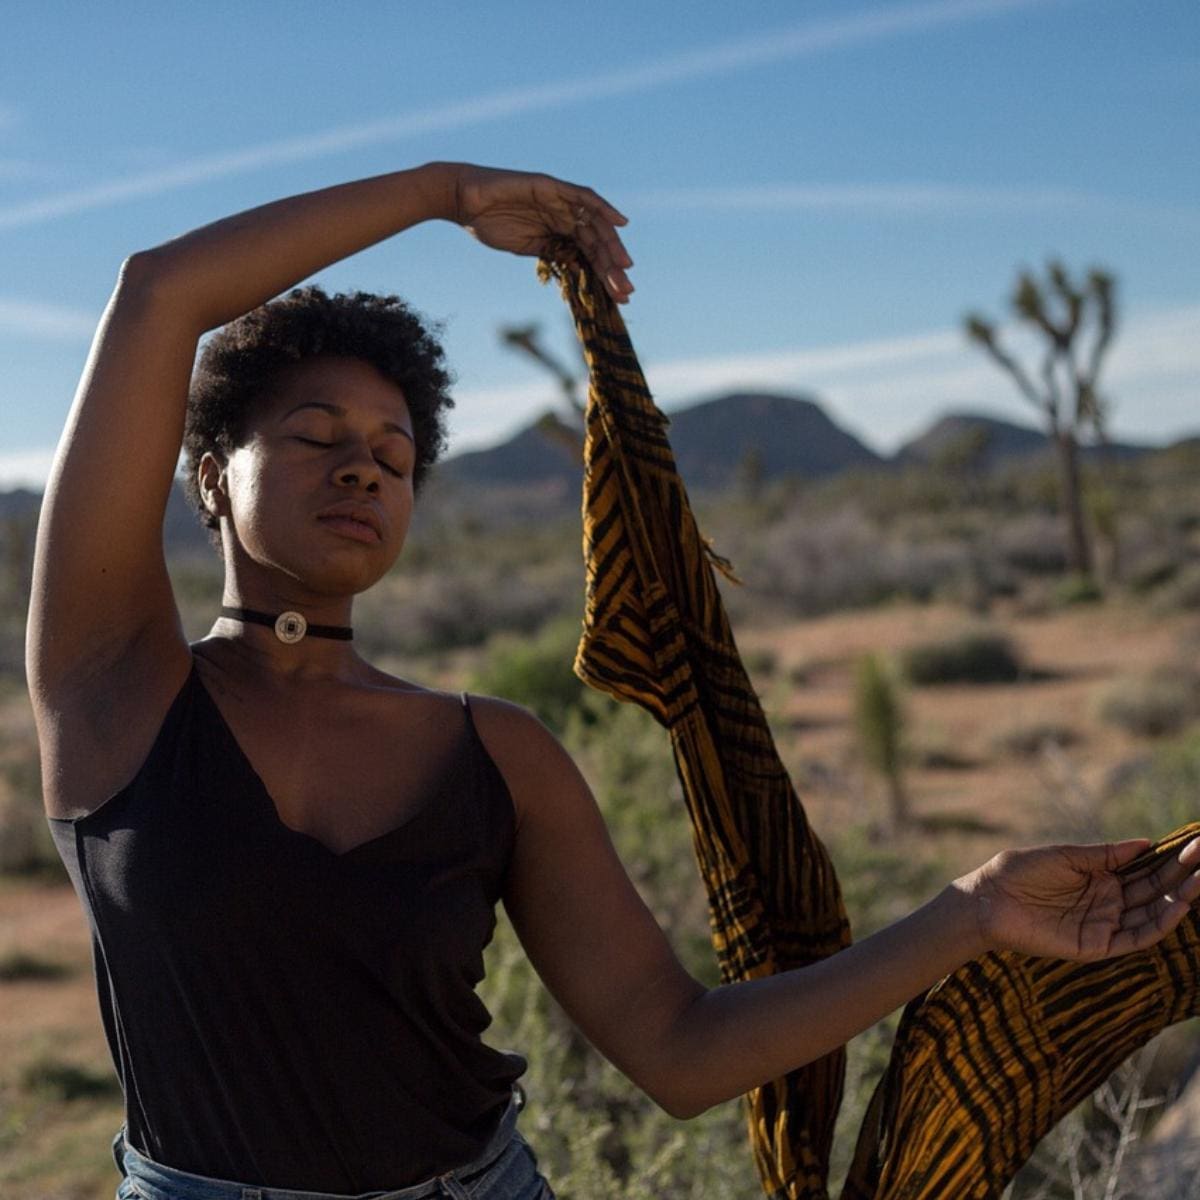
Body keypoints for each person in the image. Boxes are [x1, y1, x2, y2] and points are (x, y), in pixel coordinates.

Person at [26, 161, 1200, 1200]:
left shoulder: (496, 751)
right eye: (315, 436)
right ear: (211, 478)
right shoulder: (115, 685)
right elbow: (155, 295)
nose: (362, 471)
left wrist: (974, 909)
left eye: (393, 454)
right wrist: (444, 193)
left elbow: (680, 1050)